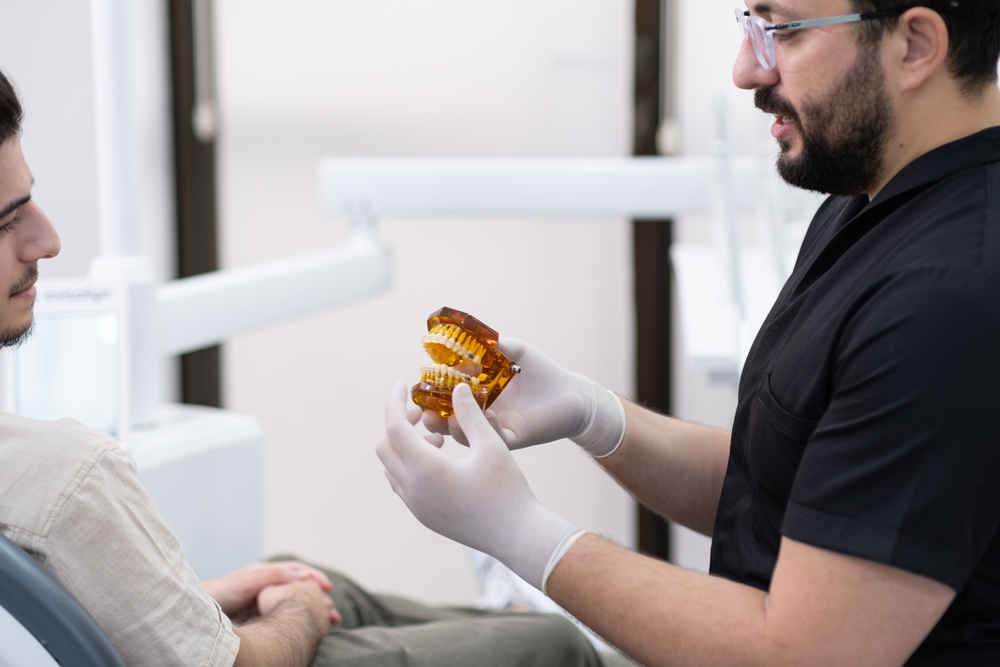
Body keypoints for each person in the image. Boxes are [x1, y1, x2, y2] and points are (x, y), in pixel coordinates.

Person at [379, 1, 1000, 665]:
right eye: (749, 26)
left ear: (914, 45)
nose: (745, 69)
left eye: (781, 30)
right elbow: (786, 495)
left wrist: (521, 533)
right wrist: (595, 414)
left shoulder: (946, 296)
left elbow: (801, 653)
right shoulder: (871, 200)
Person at [0, 70, 620, 667]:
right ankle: (528, 618)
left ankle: (511, 611)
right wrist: (520, 533)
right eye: (7, 221)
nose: (48, 240)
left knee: (316, 580)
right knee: (553, 649)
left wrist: (195, 601)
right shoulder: (68, 479)